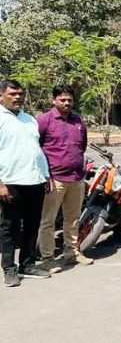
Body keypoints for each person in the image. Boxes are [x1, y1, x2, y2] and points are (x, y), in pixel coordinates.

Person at [0, 80, 52, 286]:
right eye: (13, 93)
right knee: (9, 227)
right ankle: (9, 269)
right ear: (1, 95)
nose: (18, 97)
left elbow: (37, 151)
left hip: (35, 180)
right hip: (10, 182)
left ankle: (27, 264)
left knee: (32, 226)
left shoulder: (29, 119)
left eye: (20, 94)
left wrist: (45, 175)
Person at [37, 85, 93, 274]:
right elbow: (37, 148)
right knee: (49, 220)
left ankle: (71, 252)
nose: (67, 103)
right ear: (54, 100)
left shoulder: (78, 120)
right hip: (54, 179)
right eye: (62, 99)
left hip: (76, 178)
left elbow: (82, 146)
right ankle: (47, 258)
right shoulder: (44, 120)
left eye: (69, 99)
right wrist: (45, 175)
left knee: (73, 218)